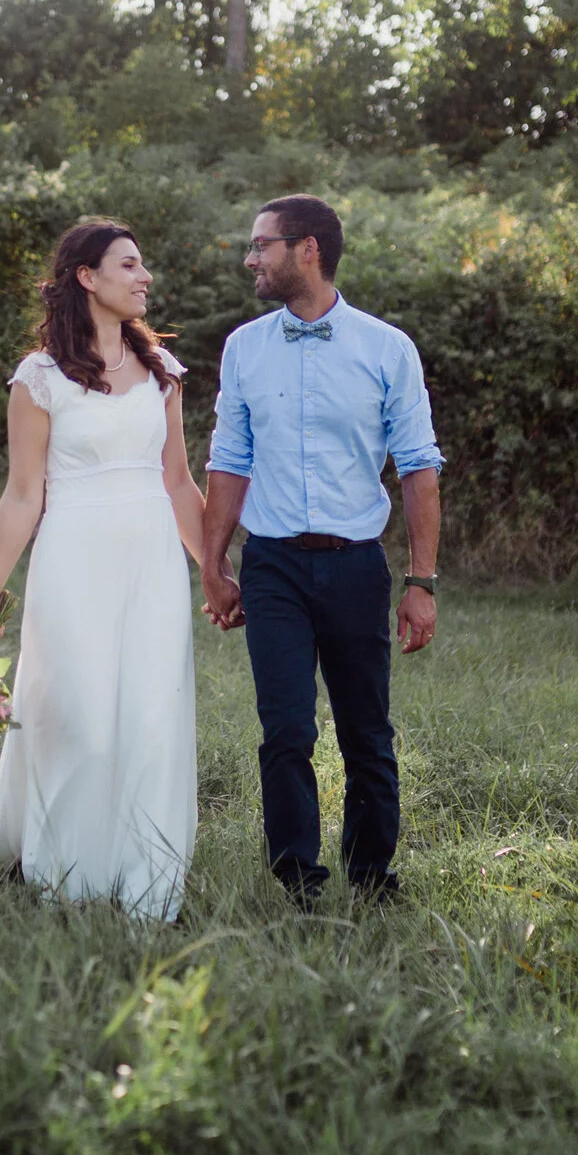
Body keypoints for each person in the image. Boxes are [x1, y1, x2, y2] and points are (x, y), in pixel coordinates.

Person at [201, 194, 442, 908]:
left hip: (356, 565)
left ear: (307, 249)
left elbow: (419, 468)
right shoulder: (244, 348)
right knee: (285, 728)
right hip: (271, 563)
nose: (251, 258)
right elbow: (228, 462)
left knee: (366, 730)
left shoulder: (387, 349)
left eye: (262, 245)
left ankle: (372, 877)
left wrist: (421, 580)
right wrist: (214, 565)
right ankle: (297, 881)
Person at [0, 218, 207, 922]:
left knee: (151, 719)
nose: (144, 276)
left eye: (142, 264)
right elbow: (22, 495)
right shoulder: (40, 379)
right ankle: (65, 870)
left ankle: (146, 871)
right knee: (78, 715)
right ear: (86, 277)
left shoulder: (163, 373)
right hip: (73, 560)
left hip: (153, 564)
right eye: (129, 264)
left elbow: (179, 482)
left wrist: (218, 573)